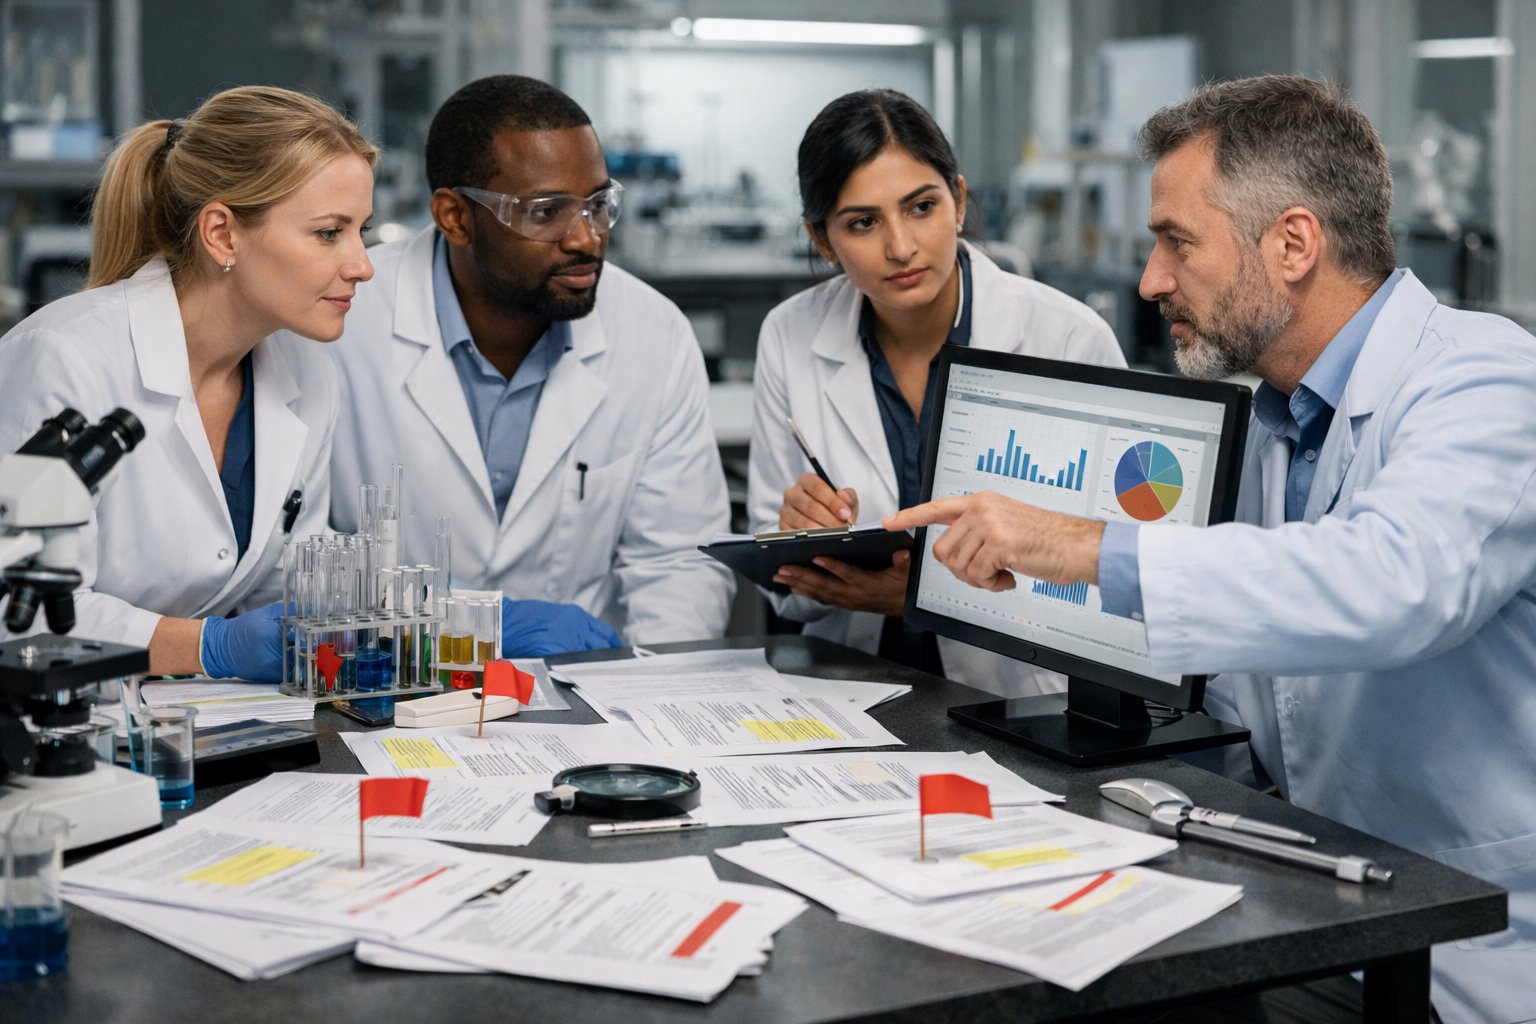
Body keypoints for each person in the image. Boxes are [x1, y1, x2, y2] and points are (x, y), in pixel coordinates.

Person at [888, 74, 1536, 1024]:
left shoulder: (1487, 382)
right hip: (1331, 905)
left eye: (1176, 242)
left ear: (1293, 243)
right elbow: (1251, 687)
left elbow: (1398, 582)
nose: (1152, 281)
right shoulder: (1277, 418)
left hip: (1474, 946)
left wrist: (1084, 546)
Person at [326, 75, 732, 651]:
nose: (587, 239)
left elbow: (676, 563)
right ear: (454, 217)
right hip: (385, 681)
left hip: (587, 690)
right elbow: (300, 551)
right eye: (546, 212)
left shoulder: (653, 332)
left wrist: (648, 693)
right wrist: (453, 622)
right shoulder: (344, 321)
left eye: (598, 205)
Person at [747, 89, 1124, 698]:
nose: (900, 246)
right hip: (851, 690)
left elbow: (1113, 576)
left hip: (1018, 698)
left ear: (959, 200)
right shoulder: (790, 335)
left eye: (921, 207)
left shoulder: (1068, 338)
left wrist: (926, 598)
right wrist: (798, 538)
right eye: (863, 223)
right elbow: (785, 596)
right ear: (822, 241)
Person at [0, 86, 378, 681]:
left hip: (211, 726)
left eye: (362, 230)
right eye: (330, 232)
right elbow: (21, 617)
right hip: (65, 728)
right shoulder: (62, 359)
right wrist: (208, 646)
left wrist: (428, 605)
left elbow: (287, 586)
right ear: (223, 234)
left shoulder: (308, 372)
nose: (362, 264)